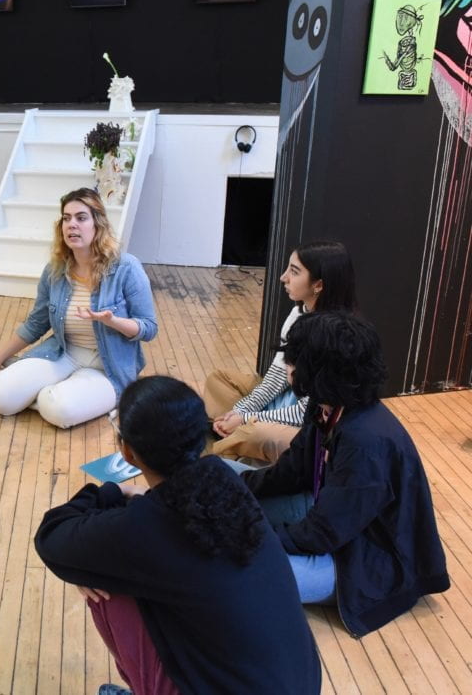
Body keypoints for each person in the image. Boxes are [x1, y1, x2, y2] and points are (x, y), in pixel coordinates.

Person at [35, 375, 321, 694]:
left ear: (127, 453)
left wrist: (112, 490)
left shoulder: (147, 524)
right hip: (301, 681)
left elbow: (51, 537)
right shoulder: (222, 476)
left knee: (102, 583)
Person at [239, 312, 449, 637]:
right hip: (330, 521)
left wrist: (248, 537)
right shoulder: (328, 406)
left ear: (320, 371)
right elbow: (293, 471)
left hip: (365, 560)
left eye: (294, 363)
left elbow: (323, 534)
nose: (288, 370)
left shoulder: (366, 441)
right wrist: (235, 489)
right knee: (224, 476)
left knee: (240, 572)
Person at [0, 187, 157, 429]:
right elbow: (36, 323)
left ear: (98, 224)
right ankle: (20, 372)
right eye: (66, 218)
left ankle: (42, 387)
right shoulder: (55, 270)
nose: (72, 224)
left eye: (81, 218)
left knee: (58, 409)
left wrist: (112, 321)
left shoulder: (126, 267)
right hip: (63, 353)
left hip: (108, 367)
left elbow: (149, 328)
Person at [204, 240, 356, 462]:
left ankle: (218, 451)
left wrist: (247, 419)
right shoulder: (298, 313)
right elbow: (275, 378)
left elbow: (308, 412)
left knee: (254, 431)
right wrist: (240, 411)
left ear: (319, 285)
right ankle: (233, 441)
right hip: (286, 400)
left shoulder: (337, 336)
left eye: (294, 272)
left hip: (307, 424)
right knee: (218, 380)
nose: (283, 277)